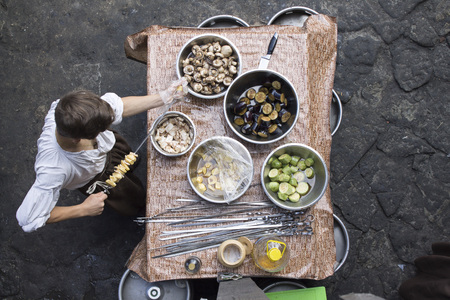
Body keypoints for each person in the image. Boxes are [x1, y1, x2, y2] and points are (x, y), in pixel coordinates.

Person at [16, 79, 188, 233]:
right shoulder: (53, 170)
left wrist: (164, 97)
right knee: (133, 198)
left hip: (111, 150)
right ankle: (137, 207)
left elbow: (120, 106)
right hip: (97, 177)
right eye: (101, 130)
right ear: (79, 139)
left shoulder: (69, 109)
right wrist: (82, 209)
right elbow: (28, 218)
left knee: (130, 159)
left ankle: (130, 167)